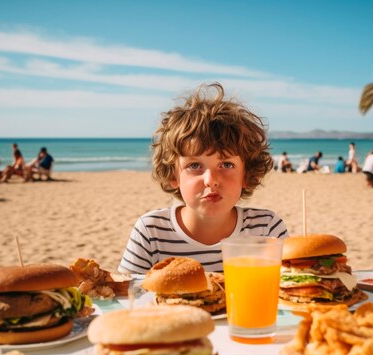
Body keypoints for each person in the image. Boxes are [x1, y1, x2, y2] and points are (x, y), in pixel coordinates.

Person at [118, 83, 289, 274]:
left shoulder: (266, 229)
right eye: (194, 166)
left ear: (247, 174)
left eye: (226, 165)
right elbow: (127, 297)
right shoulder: (151, 231)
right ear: (173, 175)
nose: (211, 180)